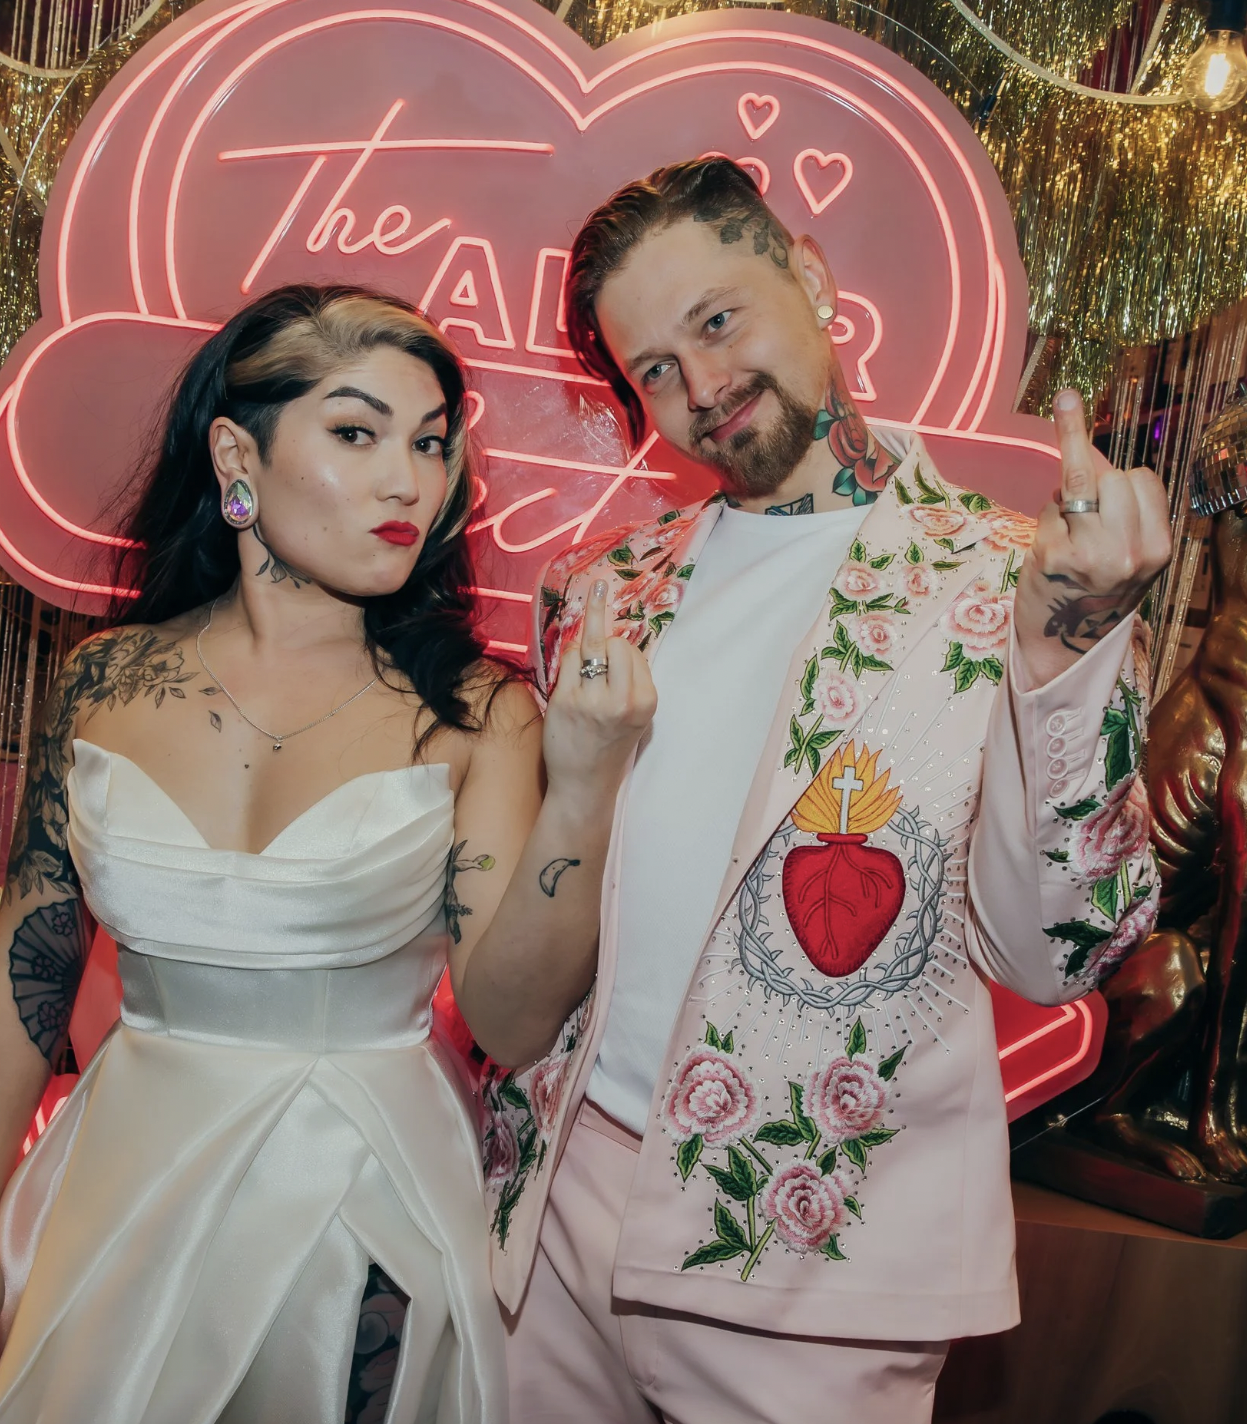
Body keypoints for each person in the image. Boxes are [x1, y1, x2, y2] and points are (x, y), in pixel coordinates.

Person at [0, 285, 655, 1424]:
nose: (407, 482)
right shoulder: (102, 681)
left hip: (363, 1191)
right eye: (355, 432)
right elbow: (25, 980)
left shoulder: (476, 713)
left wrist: (583, 792)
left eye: (428, 444)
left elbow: (514, 1021)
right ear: (237, 450)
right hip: (121, 1179)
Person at [485, 158, 1172, 1423]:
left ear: (806, 273)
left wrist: (1068, 643)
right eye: (652, 367)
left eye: (716, 318)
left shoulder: (1009, 578)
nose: (700, 387)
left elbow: (1054, 952)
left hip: (810, 1255)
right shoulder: (602, 588)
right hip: (552, 1219)